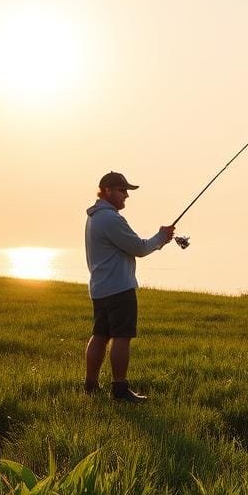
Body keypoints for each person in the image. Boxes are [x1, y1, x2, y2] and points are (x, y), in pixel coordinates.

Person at [84, 171, 175, 403]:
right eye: (122, 190)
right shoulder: (110, 218)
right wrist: (161, 237)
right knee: (121, 337)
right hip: (119, 289)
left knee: (99, 336)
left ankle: (91, 385)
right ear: (107, 191)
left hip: (100, 288)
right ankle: (120, 389)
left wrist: (160, 239)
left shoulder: (94, 217)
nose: (126, 196)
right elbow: (139, 248)